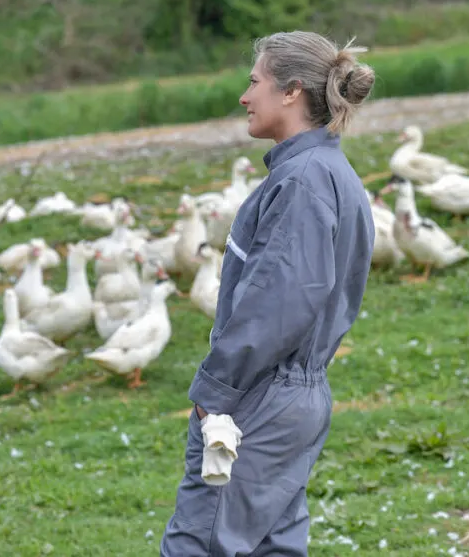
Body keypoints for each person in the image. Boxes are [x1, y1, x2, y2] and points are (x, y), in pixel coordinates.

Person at [160, 31, 377, 556]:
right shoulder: (332, 173)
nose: (244, 95)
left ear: (291, 92)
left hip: (259, 395)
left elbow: (276, 305)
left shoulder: (302, 181)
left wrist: (214, 394)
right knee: (270, 546)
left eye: (254, 81)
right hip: (296, 394)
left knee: (201, 543)